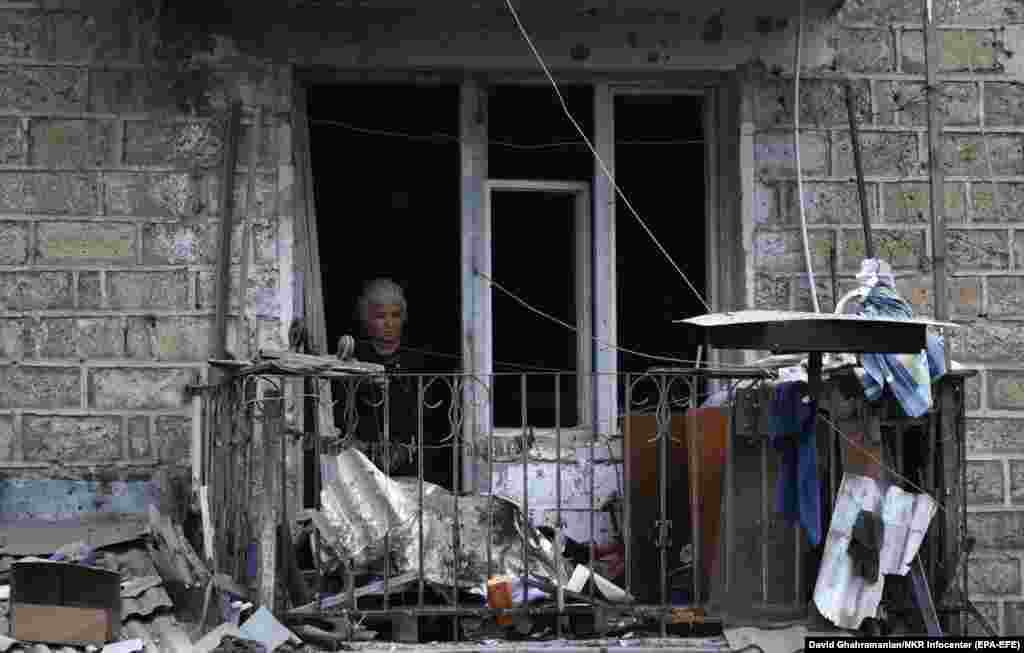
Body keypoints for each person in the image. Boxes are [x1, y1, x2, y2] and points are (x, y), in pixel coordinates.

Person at [338, 278, 455, 489]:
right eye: (380, 316)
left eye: (395, 315)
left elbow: (433, 420)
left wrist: (408, 448)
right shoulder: (354, 358)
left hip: (415, 464)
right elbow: (343, 414)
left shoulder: (421, 362)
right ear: (366, 319)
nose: (389, 323)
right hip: (363, 464)